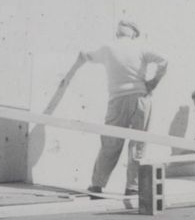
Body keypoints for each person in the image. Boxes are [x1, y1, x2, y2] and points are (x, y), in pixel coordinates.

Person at [71, 18, 168, 197]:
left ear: (118, 32)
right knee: (138, 144)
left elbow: (86, 56)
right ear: (134, 33)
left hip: (117, 99)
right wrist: (153, 82)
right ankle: (132, 187)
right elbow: (164, 61)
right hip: (141, 98)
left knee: (110, 143)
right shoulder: (141, 47)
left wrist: (76, 64)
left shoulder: (108, 48)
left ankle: (97, 184)